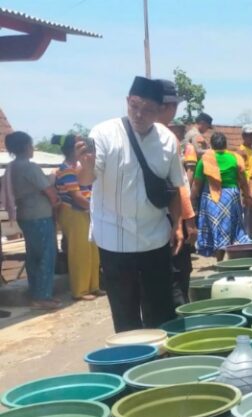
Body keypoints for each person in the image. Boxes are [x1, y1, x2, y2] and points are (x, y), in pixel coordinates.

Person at [77, 76, 185, 332]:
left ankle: (161, 362)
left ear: (160, 111)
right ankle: (132, 364)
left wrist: (178, 224)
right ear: (127, 101)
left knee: (160, 309)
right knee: (125, 313)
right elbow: (86, 178)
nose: (139, 114)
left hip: (154, 237)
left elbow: (175, 187)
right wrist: (87, 165)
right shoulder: (104, 133)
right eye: (135, 106)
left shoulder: (168, 140)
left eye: (148, 110)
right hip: (114, 238)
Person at [3, 131, 61, 309]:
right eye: (30, 144)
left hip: (25, 215)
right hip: (39, 215)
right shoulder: (30, 167)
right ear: (25, 147)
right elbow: (48, 190)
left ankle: (36, 292)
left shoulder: (11, 167)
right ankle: (42, 296)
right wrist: (56, 203)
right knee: (46, 255)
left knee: (34, 256)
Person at [157, 79, 198, 306]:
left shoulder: (142, 134)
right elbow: (179, 185)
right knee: (178, 274)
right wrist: (188, 220)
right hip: (171, 216)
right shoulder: (166, 138)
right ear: (170, 107)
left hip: (154, 218)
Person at [54, 134, 100, 301]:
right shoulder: (66, 168)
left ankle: (94, 286)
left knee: (92, 249)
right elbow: (75, 195)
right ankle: (80, 290)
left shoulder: (79, 166)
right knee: (79, 251)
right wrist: (95, 208)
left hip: (85, 211)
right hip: (73, 212)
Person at [192, 131, 251, 259]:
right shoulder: (235, 158)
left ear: (211, 145)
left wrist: (192, 202)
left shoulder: (205, 160)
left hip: (211, 197)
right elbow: (243, 181)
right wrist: (248, 196)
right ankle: (232, 256)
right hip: (231, 196)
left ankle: (219, 258)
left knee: (216, 226)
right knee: (232, 226)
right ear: (226, 144)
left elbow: (196, 184)